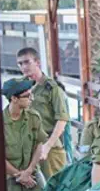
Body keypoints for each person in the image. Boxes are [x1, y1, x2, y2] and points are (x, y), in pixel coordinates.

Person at [16, 47, 70, 178]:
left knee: (53, 186)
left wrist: (48, 146)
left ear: (37, 62)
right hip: (26, 146)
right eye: (20, 63)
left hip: (48, 146)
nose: (23, 67)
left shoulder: (52, 88)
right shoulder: (19, 88)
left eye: (27, 62)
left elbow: (62, 120)